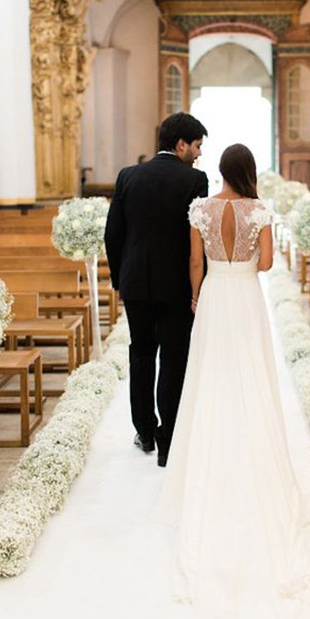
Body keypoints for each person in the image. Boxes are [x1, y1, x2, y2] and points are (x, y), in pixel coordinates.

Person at [155, 144, 310, 619]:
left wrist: (197, 292)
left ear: (220, 171)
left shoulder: (201, 208)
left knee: (210, 373)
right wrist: (244, 257)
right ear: (249, 173)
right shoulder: (258, 209)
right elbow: (264, 264)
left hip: (217, 294)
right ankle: (250, 435)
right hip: (244, 295)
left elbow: (193, 262)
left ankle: (212, 445)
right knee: (251, 372)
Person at [104, 112, 208, 467]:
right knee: (174, 360)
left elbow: (113, 234)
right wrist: (200, 286)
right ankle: (168, 441)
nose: (198, 154)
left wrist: (121, 279)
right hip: (176, 286)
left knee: (142, 353)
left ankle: (145, 431)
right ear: (181, 144)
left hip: (136, 284)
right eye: (196, 146)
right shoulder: (195, 180)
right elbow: (198, 242)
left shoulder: (128, 176)